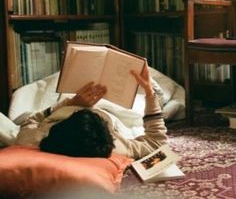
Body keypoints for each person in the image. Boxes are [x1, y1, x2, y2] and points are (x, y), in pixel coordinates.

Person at [15, 61, 168, 160]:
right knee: (138, 96)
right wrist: (149, 92)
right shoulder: (115, 146)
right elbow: (156, 142)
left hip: (65, 105)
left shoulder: (32, 138)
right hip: (113, 113)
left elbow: (31, 120)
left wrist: (71, 102)